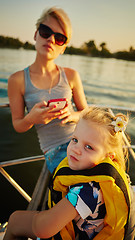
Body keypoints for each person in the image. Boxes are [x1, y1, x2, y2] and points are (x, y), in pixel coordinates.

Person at [3, 106, 134, 240]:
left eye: (88, 147)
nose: (76, 149)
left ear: (108, 157)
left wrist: (36, 217)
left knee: (15, 221)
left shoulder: (87, 192)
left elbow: (44, 229)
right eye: (75, 140)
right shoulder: (104, 179)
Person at [8, 7, 88, 173]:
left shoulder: (71, 75)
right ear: (36, 34)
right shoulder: (17, 80)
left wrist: (72, 116)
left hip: (82, 141)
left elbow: (85, 112)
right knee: (83, 189)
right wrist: (31, 118)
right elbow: (18, 124)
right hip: (55, 151)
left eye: (59, 38)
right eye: (46, 31)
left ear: (63, 47)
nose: (51, 39)